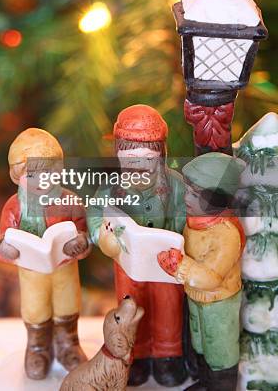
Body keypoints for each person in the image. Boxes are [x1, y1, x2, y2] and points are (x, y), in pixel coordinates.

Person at [87, 105, 187, 387]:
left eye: (147, 159)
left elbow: (184, 212)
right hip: (127, 264)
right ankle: (139, 353)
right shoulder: (111, 187)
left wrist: (177, 235)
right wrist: (101, 235)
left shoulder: (175, 184)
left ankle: (168, 355)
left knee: (168, 305)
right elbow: (95, 212)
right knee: (132, 306)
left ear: (161, 156)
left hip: (166, 262)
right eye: (130, 160)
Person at [0, 127, 91, 380]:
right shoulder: (13, 207)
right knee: (35, 308)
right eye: (33, 174)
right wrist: (8, 247)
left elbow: (83, 231)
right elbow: (3, 240)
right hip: (32, 274)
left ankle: (67, 344)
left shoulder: (69, 200)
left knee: (67, 305)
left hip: (64, 268)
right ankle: (38, 347)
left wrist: (80, 243)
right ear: (17, 176)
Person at [158, 152, 246, 390]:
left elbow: (211, 276)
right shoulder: (192, 221)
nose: (186, 197)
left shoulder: (225, 233)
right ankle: (204, 382)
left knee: (220, 348)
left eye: (195, 194)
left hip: (219, 303)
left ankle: (220, 386)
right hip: (195, 297)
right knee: (200, 343)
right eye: (187, 189)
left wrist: (181, 266)